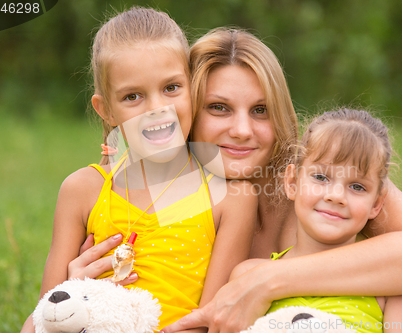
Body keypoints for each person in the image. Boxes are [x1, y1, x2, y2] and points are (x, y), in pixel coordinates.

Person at [68, 28, 402, 333]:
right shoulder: (164, 198)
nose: (241, 130)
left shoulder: (320, 171)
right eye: (218, 108)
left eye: (260, 110)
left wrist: (267, 281)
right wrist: (79, 291)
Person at [20, 9, 257, 333]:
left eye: (171, 88)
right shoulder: (83, 190)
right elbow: (40, 320)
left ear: (193, 89)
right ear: (107, 110)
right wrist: (72, 289)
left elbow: (210, 323)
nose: (156, 109)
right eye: (133, 96)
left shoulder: (231, 198)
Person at [230, 108, 402, 333]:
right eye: (321, 177)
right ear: (292, 182)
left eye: (357, 187)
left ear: (377, 204)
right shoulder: (248, 276)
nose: (336, 196)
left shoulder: (395, 288)